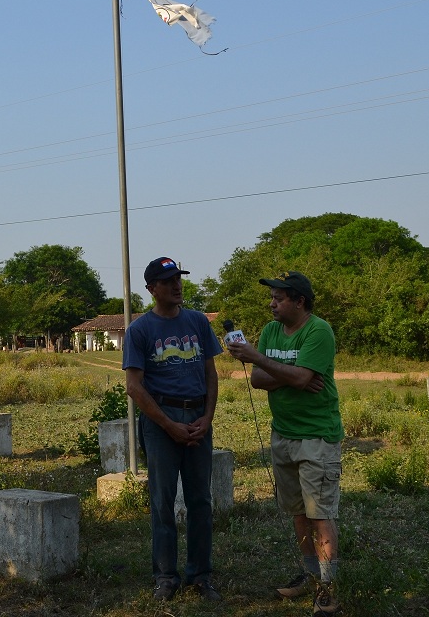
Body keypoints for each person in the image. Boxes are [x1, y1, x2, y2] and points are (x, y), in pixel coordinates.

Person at [225, 270, 344, 616]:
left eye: (279, 298)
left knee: (320, 514)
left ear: (299, 301)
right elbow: (260, 380)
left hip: (316, 437)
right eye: (272, 297)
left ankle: (328, 587)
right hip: (283, 435)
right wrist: (289, 375)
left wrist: (260, 359)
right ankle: (309, 575)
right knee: (297, 512)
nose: (272, 303)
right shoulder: (271, 330)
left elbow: (301, 376)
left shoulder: (319, 330)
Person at [122, 256, 223, 602]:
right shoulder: (140, 330)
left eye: (178, 279)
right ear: (151, 289)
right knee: (162, 502)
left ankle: (200, 574)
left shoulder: (197, 322)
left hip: (197, 417)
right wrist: (168, 426)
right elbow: (134, 387)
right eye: (168, 282)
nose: (177, 286)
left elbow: (211, 374)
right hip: (160, 419)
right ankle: (166, 576)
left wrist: (207, 418)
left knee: (200, 501)